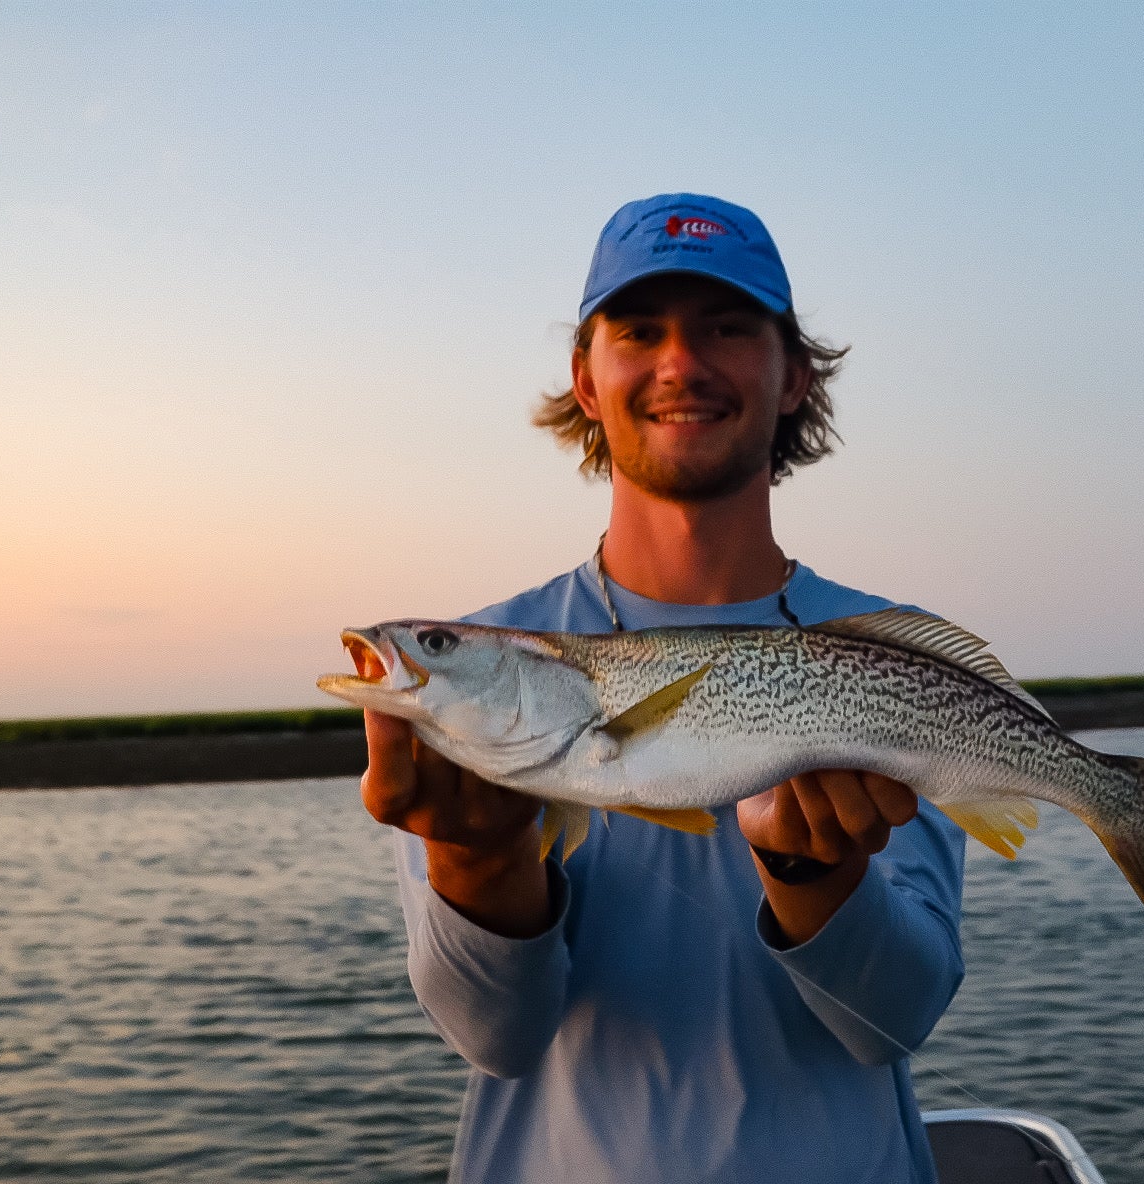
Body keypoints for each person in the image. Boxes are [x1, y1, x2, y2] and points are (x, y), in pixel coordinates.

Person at [356, 194, 966, 1183]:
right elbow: (492, 1037)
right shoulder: (480, 673)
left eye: (727, 326)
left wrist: (822, 880)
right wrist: (476, 862)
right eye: (640, 330)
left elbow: (894, 1018)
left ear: (794, 375)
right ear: (585, 379)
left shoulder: (886, 661)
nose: (682, 363)